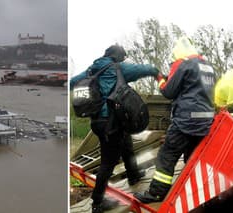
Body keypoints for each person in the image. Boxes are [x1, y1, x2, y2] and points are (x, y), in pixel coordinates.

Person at [70, 44, 159, 212]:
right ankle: (97, 203)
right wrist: (156, 72)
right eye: (123, 57)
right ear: (118, 56)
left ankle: (133, 175)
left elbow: (73, 83)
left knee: (126, 143)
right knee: (108, 163)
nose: (124, 60)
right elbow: (142, 69)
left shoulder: (91, 70)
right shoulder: (117, 67)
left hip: (98, 120)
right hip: (110, 122)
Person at [134, 36, 216, 203]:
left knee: (166, 155)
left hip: (186, 122)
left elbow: (168, 91)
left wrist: (160, 79)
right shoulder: (207, 66)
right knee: (192, 157)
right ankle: (195, 190)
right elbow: (193, 88)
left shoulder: (183, 63)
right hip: (205, 121)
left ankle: (156, 193)